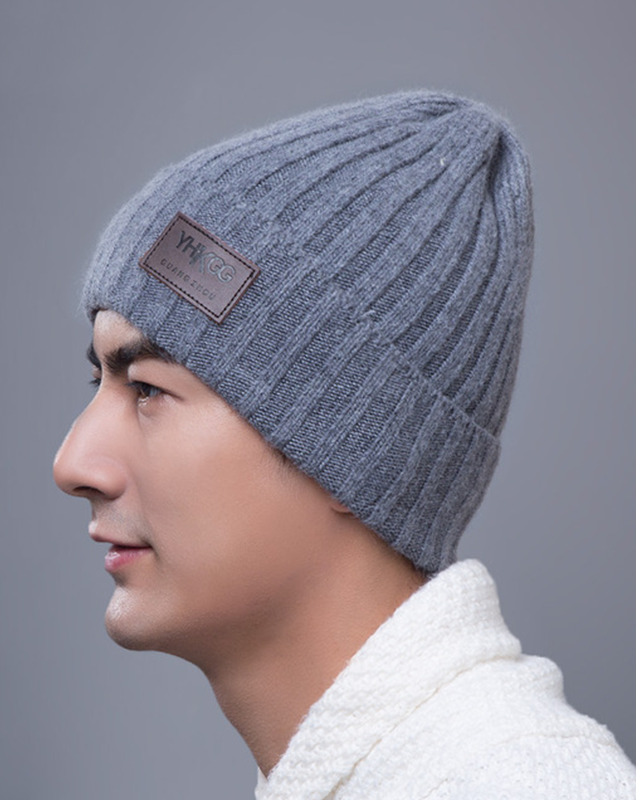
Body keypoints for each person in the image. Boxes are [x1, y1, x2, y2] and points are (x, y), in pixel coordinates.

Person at [54, 91, 636, 799]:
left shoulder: (522, 784)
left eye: (147, 388)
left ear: (360, 448)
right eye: (99, 379)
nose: (72, 464)